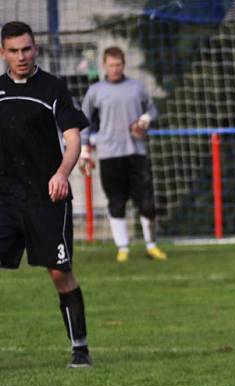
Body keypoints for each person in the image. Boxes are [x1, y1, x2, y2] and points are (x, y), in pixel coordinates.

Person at [0, 21, 92, 368]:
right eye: (14, 50)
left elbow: (72, 139)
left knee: (59, 273)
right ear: (3, 53)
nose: (21, 56)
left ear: (35, 48)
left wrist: (62, 173)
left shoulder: (53, 87)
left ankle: (80, 348)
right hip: (5, 198)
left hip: (47, 199)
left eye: (27, 49)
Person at [79, 46, 167, 263]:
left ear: (123, 64)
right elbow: (84, 120)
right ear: (104, 66)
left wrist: (146, 118)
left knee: (146, 202)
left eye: (118, 65)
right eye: (111, 65)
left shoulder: (136, 88)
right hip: (109, 154)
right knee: (116, 201)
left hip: (136, 151)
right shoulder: (95, 91)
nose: (115, 69)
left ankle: (151, 245)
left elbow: (153, 109)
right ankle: (123, 248)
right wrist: (84, 148)